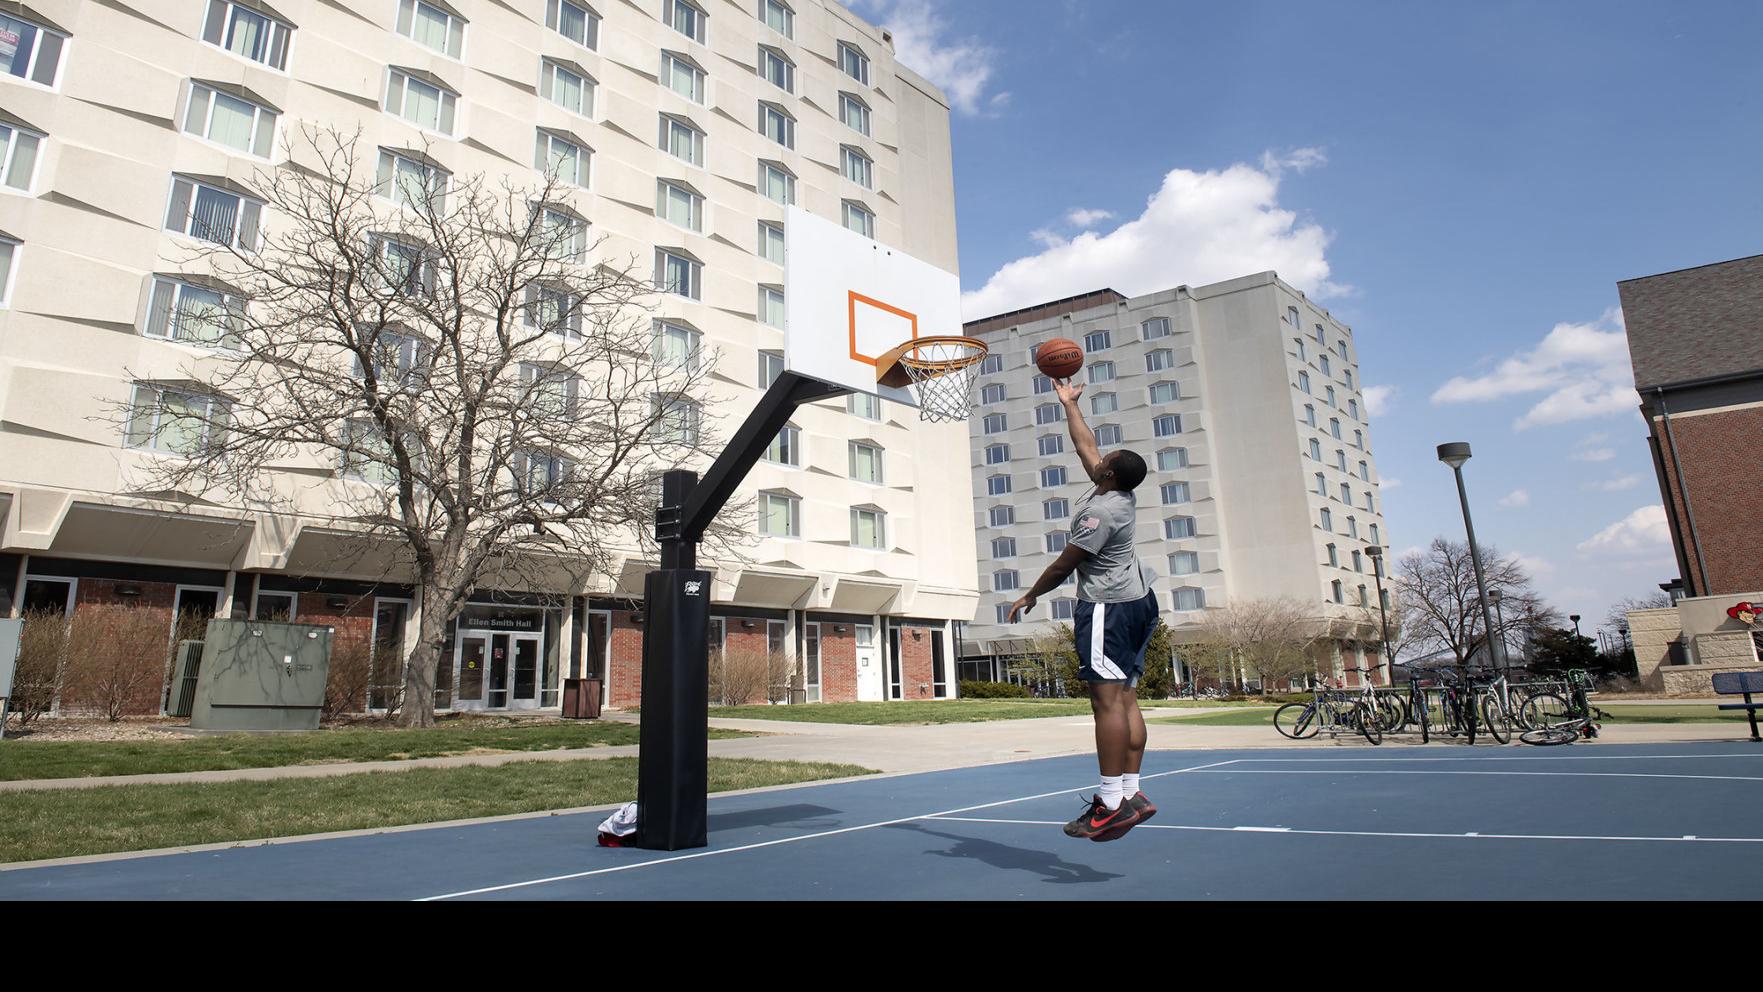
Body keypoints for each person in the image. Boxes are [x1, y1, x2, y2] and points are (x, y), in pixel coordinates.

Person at [1008, 377, 1159, 842]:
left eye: (1104, 462)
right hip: (1138, 601)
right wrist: (1069, 404)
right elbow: (1086, 444)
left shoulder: (1102, 514)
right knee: (1126, 697)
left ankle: (1110, 802)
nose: (1098, 458)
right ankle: (1131, 792)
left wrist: (1030, 595)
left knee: (1106, 703)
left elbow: (1064, 565)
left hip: (1107, 610)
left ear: (1108, 475)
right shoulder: (1118, 491)